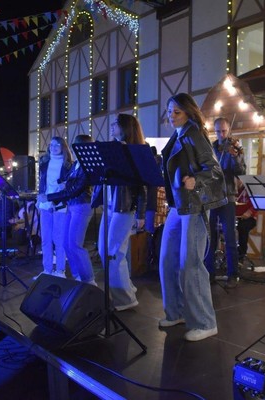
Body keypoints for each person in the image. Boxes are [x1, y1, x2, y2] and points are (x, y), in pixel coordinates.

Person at [158, 93, 227, 342]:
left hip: (195, 204)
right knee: (167, 259)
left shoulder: (194, 133)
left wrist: (196, 180)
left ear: (188, 112)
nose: (171, 116)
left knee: (192, 264)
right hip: (178, 206)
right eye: (169, 112)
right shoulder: (178, 135)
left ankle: (205, 322)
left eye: (176, 112)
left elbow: (214, 170)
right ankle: (175, 312)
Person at [92, 114, 147, 310]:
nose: (112, 126)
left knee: (114, 252)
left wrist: (141, 214)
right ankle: (127, 288)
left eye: (116, 123)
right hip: (109, 207)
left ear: (125, 127)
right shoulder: (111, 149)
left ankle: (125, 299)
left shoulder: (133, 151)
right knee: (103, 250)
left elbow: (142, 186)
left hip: (124, 207)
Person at [48, 134, 97, 286]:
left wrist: (50, 197)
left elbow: (74, 189)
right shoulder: (76, 164)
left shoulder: (87, 165)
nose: (74, 148)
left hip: (82, 206)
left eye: (77, 145)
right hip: (72, 206)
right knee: (66, 244)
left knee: (75, 244)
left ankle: (89, 280)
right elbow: (68, 186)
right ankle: (78, 276)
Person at [205, 117, 245, 286]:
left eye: (224, 131)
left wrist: (234, 156)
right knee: (210, 236)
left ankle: (233, 274)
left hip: (228, 195)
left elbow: (241, 171)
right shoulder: (210, 148)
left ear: (229, 130)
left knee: (229, 236)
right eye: (218, 131)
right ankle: (209, 273)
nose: (221, 134)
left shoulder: (235, 148)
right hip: (212, 196)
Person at [37, 136, 73, 279]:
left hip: (60, 206)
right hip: (45, 204)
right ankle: (47, 269)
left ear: (63, 147)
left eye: (57, 145)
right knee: (45, 239)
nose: (53, 147)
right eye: (51, 144)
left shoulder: (68, 165)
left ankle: (60, 270)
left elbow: (67, 187)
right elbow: (42, 184)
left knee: (59, 239)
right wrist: (39, 200)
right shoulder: (44, 163)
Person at [235, 180, 257, 265]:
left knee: (242, 227)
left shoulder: (249, 188)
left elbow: (256, 204)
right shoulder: (232, 189)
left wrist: (250, 212)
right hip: (234, 218)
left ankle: (241, 255)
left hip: (249, 219)